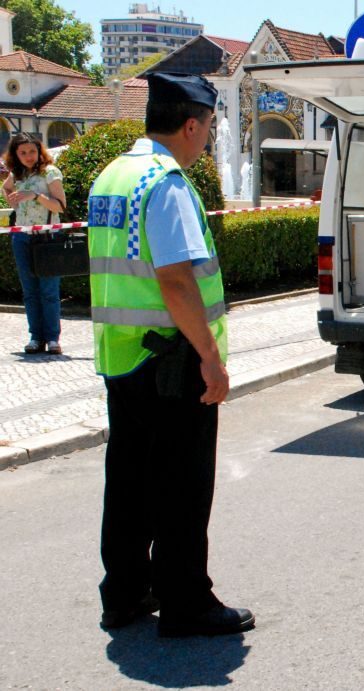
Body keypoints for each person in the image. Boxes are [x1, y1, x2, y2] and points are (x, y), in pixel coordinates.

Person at [88, 72, 253, 637]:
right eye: (209, 126)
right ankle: (186, 602)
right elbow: (176, 279)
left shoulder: (111, 174)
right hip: (171, 360)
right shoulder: (168, 184)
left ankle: (125, 592)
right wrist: (210, 356)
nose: (209, 137)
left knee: (129, 479)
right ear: (191, 124)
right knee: (182, 484)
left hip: (122, 357)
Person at [3, 133, 67, 354]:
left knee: (48, 290)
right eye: (23, 153)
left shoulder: (50, 173)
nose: (28, 156)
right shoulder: (17, 173)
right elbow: (7, 186)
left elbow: (60, 206)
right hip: (22, 236)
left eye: (32, 151)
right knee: (29, 291)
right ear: (15, 155)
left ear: (40, 150)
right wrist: (12, 199)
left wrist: (35, 196)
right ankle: (35, 337)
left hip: (47, 237)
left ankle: (52, 338)